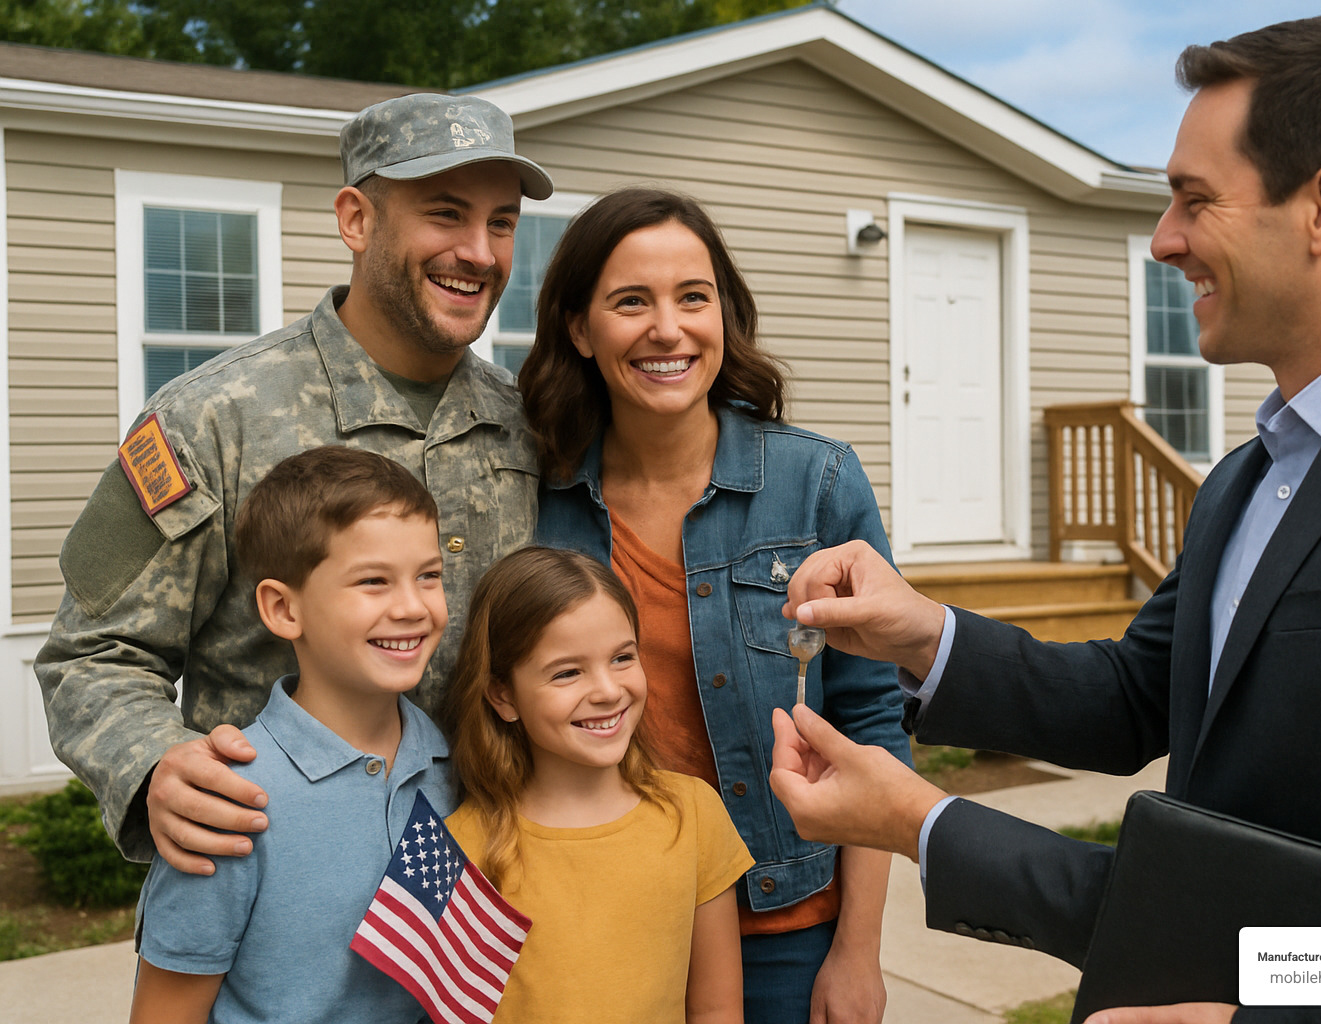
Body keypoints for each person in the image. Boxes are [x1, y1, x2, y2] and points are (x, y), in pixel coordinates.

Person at [768, 15, 1321, 1024]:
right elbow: (1140, 695)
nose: (1165, 239)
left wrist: (1265, 1016)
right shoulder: (1245, 476)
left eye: (1194, 199)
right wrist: (924, 634)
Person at [35, 92, 552, 875]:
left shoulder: (527, 426)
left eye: (502, 222)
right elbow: (91, 653)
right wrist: (157, 763)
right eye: (445, 214)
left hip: (482, 889)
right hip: (272, 884)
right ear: (356, 220)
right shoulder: (212, 417)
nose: (479, 252)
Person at [521, 187, 910, 1023]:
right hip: (601, 922)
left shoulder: (817, 484)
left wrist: (857, 950)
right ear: (580, 329)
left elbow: (871, 720)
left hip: (787, 929)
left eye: (693, 298)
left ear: (724, 315)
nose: (668, 329)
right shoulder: (536, 503)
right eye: (632, 301)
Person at [130, 446, 453, 1023]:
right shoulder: (226, 802)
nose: (413, 607)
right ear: (283, 609)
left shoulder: (461, 768)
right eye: (373, 581)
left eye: (429, 576)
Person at [442, 546, 754, 1023]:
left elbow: (717, 1009)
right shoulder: (461, 849)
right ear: (503, 696)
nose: (608, 691)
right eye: (567, 672)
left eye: (622, 657)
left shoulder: (693, 814)